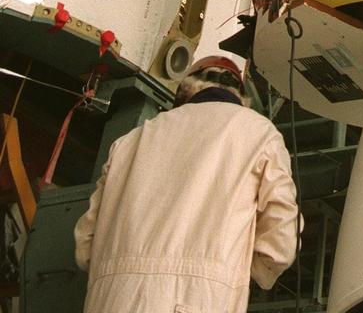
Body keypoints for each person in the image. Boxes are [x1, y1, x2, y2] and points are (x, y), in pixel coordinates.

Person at [75, 54, 300, 313]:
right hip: (196, 300)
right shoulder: (259, 132)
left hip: (110, 301)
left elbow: (85, 245)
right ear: (241, 99)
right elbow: (281, 241)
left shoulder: (129, 142)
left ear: (184, 93)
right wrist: (236, 272)